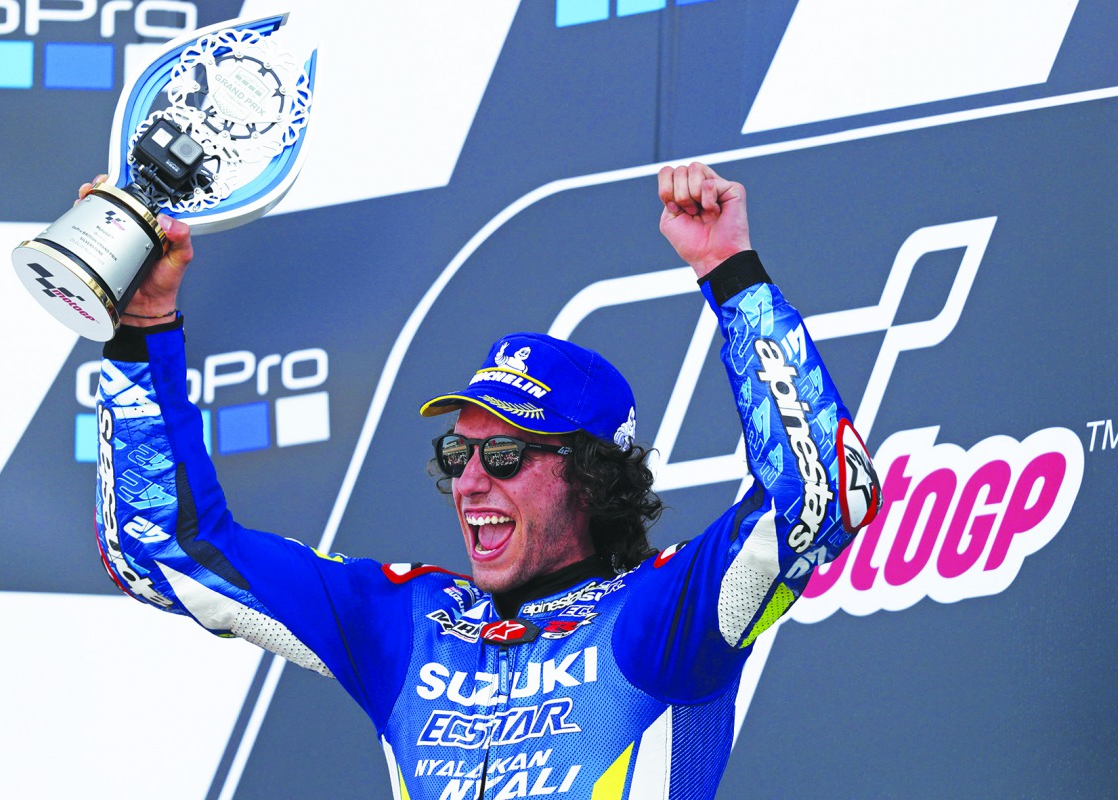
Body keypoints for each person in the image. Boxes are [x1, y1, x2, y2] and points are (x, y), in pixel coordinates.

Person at [93, 163, 881, 799]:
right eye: (456, 456)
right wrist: (146, 326)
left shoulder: (658, 618)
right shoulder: (403, 621)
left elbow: (822, 498)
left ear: (595, 479)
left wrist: (732, 275)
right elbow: (162, 549)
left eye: (504, 457)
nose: (470, 482)